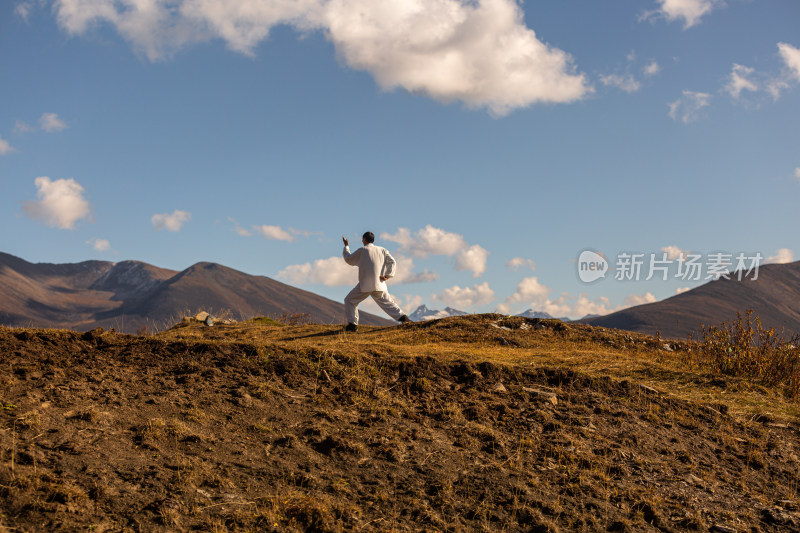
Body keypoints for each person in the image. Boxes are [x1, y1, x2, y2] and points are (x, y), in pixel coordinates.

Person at [342, 231, 411, 332]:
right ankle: (405, 319)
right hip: (379, 283)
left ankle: (352, 325)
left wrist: (346, 246)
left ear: (364, 239)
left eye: (362, 239)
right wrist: (387, 275)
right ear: (373, 240)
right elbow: (393, 262)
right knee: (389, 304)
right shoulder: (382, 250)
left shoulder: (362, 250)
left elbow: (348, 259)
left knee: (349, 300)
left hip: (364, 285)